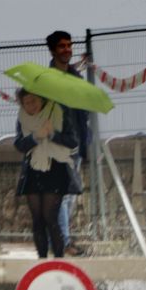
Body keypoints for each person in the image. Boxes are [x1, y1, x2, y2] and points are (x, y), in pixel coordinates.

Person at [13, 88, 81, 259]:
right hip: (33, 170)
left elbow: (73, 142)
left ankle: (58, 259)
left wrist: (52, 134)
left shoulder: (58, 112)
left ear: (42, 100)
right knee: (37, 220)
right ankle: (41, 260)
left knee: (50, 218)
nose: (31, 106)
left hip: (55, 168)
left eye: (34, 101)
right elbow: (19, 144)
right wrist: (36, 137)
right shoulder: (23, 118)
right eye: (26, 103)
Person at [46, 30, 92, 256]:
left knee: (70, 197)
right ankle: (63, 242)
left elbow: (83, 113)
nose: (67, 49)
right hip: (57, 144)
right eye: (62, 46)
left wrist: (86, 143)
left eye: (69, 45)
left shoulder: (75, 77)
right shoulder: (47, 80)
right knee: (62, 195)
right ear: (53, 50)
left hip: (76, 144)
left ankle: (57, 236)